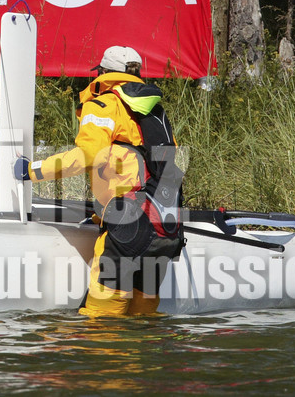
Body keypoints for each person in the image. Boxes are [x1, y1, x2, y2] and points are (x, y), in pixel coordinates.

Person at [19, 45, 185, 317]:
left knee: (102, 319)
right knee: (144, 317)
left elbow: (87, 156)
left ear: (104, 73)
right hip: (166, 229)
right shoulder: (156, 112)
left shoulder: (104, 103)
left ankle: (106, 359)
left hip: (128, 226)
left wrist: (32, 170)